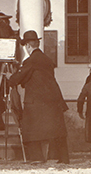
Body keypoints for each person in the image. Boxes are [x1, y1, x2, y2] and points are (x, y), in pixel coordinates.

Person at [10, 31, 69, 164]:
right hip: (52, 98)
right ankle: (61, 157)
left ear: (28, 46)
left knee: (31, 128)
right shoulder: (46, 59)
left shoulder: (31, 61)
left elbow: (18, 79)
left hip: (36, 100)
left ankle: (36, 157)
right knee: (55, 129)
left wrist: (10, 77)